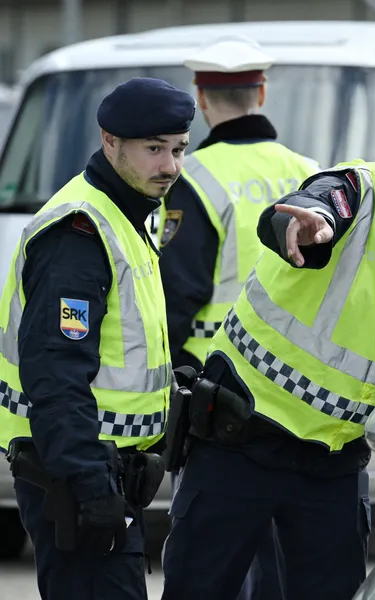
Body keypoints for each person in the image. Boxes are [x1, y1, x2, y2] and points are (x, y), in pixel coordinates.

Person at [161, 107, 375, 600]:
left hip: (334, 466)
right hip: (241, 440)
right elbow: (311, 209)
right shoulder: (351, 194)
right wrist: (308, 226)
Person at [0, 77, 195, 599]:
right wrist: (90, 488)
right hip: (77, 477)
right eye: (154, 149)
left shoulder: (125, 215)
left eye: (178, 149)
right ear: (110, 141)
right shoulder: (80, 233)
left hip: (102, 471)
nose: (170, 166)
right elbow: (56, 373)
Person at [157, 35, 319, 600]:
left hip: (215, 394)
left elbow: (177, 292)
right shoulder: (310, 173)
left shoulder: (192, 178)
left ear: (202, 99)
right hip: (301, 393)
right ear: (262, 92)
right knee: (282, 556)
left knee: (213, 556)